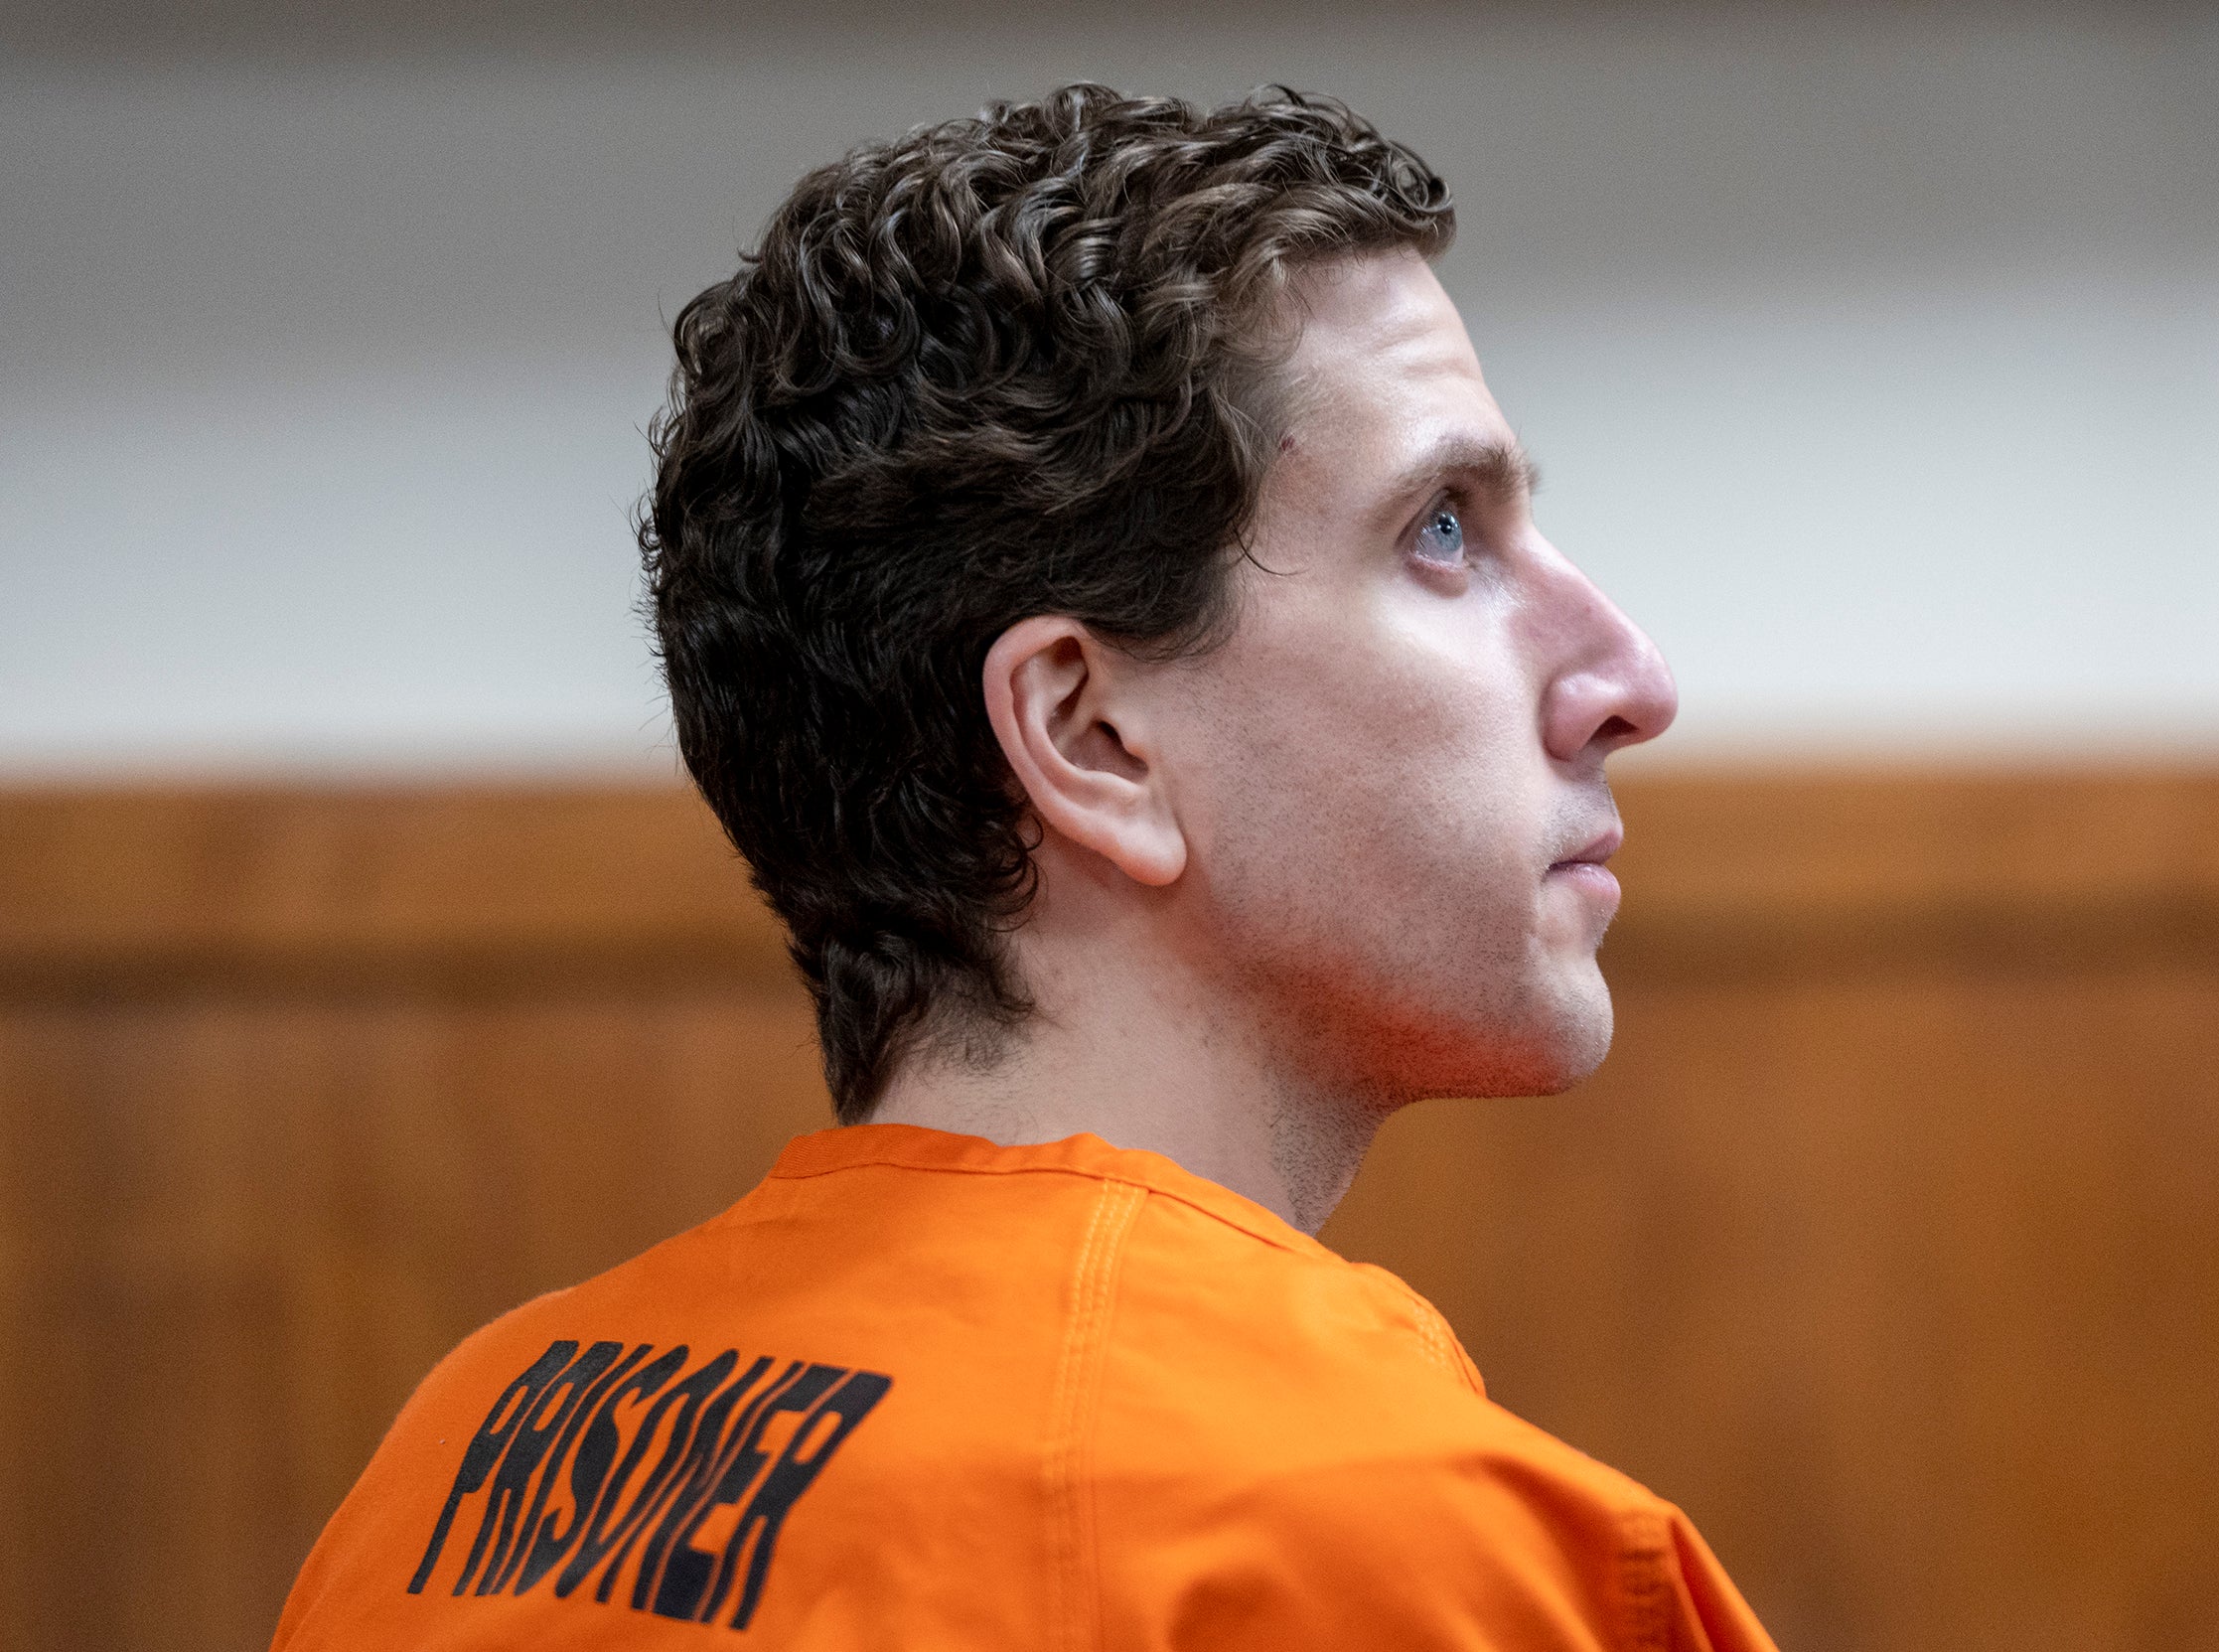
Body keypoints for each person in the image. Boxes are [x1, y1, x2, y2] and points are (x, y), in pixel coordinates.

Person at [270, 83, 1775, 1650]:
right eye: (1444, 530)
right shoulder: (1380, 1540)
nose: (1629, 678)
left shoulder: (462, 1466)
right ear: (1091, 739)